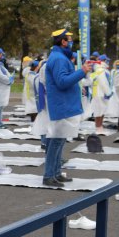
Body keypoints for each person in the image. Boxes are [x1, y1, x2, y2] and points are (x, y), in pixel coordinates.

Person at [42, 29, 92, 187]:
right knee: (56, 141)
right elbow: (62, 81)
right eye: (69, 39)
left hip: (63, 104)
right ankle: (49, 175)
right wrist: (82, 72)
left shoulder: (59, 57)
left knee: (59, 140)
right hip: (61, 104)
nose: (71, 42)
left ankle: (55, 173)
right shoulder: (58, 58)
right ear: (62, 41)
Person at [90, 55, 112, 133]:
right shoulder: (101, 70)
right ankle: (98, 127)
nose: (108, 62)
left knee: (100, 110)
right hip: (101, 92)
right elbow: (104, 83)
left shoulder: (98, 69)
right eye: (107, 60)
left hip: (97, 92)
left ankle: (99, 126)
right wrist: (108, 92)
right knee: (100, 111)